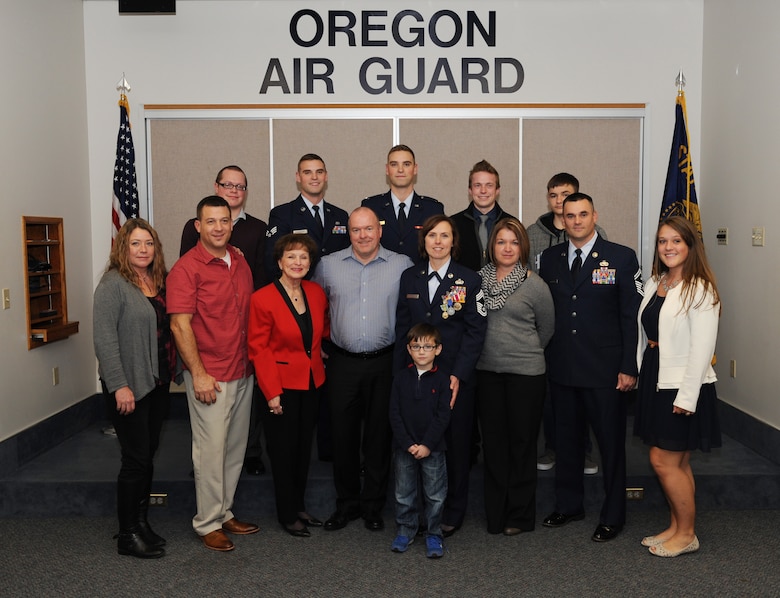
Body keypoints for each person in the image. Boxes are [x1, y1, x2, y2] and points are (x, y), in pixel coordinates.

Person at [539, 192, 642, 543]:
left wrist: (630, 366)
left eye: (583, 214)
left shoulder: (621, 257)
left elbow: (631, 317)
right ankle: (569, 505)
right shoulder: (549, 259)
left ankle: (613, 515)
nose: (577, 221)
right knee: (566, 443)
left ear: (595, 215)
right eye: (570, 215)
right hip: (564, 368)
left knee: (611, 446)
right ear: (562, 219)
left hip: (606, 372)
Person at [312, 207, 413, 532]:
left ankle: (372, 506)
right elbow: (313, 306)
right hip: (342, 363)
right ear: (348, 232)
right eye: (356, 230)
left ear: (379, 230)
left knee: (378, 438)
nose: (363, 235)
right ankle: (346, 505)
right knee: (342, 437)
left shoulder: (401, 264)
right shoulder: (328, 266)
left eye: (368, 229)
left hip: (386, 362)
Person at [168, 195, 259, 552]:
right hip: (211, 376)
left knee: (234, 449)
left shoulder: (238, 259)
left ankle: (223, 512)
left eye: (224, 221)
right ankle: (206, 522)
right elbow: (179, 325)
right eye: (211, 222)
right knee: (210, 450)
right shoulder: (186, 269)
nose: (218, 227)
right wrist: (199, 374)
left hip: (242, 369)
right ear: (198, 226)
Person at [395, 214, 487, 537]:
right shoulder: (410, 278)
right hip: (417, 378)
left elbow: (476, 332)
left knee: (457, 445)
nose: (438, 241)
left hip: (453, 379)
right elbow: (402, 329)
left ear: (453, 242)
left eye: (444, 236)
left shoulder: (469, 280)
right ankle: (421, 511)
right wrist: (401, 376)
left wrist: (459, 375)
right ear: (424, 241)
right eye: (432, 235)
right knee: (421, 443)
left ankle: (453, 511)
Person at [634, 216, 721, 557]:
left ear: (690, 246)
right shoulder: (658, 281)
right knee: (678, 462)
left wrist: (688, 397)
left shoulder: (700, 288)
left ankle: (686, 534)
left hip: (681, 384)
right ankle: (676, 527)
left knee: (663, 460)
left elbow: (702, 350)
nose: (668, 247)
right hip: (656, 376)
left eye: (676, 241)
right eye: (662, 241)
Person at [93, 218, 175, 559]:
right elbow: (104, 340)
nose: (143, 250)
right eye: (136, 244)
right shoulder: (113, 284)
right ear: (123, 248)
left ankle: (141, 523)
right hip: (129, 387)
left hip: (157, 383)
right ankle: (127, 534)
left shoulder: (157, 280)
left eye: (149, 244)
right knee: (135, 460)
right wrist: (119, 386)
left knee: (148, 456)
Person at [179, 164, 268, 477]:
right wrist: (197, 371)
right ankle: (209, 515)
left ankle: (226, 505)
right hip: (210, 362)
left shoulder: (248, 246)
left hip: (243, 355)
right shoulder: (190, 254)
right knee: (210, 444)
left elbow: (259, 286)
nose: (234, 190)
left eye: (240, 186)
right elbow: (181, 318)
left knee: (236, 439)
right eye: (228, 185)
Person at [475, 217, 554, 535]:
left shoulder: (534, 284)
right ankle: (495, 514)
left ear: (523, 246)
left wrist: (522, 351)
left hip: (526, 375)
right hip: (487, 373)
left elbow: (546, 329)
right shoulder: (476, 281)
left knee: (522, 446)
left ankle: (520, 517)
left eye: (514, 242)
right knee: (493, 446)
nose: (507, 248)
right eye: (501, 242)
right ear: (491, 246)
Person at [248, 234, 329, 538]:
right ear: (279, 262)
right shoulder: (263, 298)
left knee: (302, 449)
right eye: (291, 257)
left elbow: (320, 333)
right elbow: (259, 348)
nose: (298, 262)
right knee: (282, 452)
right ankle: (286, 513)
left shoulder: (316, 292)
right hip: (280, 387)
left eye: (304, 257)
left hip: (311, 382)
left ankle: (299, 505)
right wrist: (271, 393)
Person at [528, 172, 606, 474]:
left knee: (584, 396)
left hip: (585, 332)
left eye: (566, 194)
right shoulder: (532, 234)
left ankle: (584, 451)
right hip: (549, 330)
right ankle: (552, 447)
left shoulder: (598, 233)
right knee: (551, 395)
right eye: (554, 195)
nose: (559, 201)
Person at [389, 323, 452, 558]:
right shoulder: (400, 378)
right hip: (404, 446)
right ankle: (406, 530)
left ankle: (434, 533)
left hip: (433, 448)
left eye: (428, 346)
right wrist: (408, 443)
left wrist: (427, 444)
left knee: (435, 494)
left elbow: (443, 416)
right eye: (416, 346)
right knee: (404, 493)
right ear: (408, 349)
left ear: (438, 349)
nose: (422, 351)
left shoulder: (443, 380)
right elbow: (394, 414)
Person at [265, 153, 350, 279]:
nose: (314, 177)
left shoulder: (340, 216)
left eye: (319, 172)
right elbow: (272, 260)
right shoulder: (283, 214)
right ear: (298, 177)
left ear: (326, 176)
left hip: (335, 290)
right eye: (307, 172)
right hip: (299, 290)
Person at [362, 144, 443, 261]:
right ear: (387, 169)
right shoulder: (371, 207)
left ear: (415, 169)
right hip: (381, 276)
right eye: (394, 164)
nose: (400, 170)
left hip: (421, 277)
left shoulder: (433, 209)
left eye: (406, 164)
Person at [451, 159, 516, 272]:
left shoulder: (512, 224)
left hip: (503, 288)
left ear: (497, 190)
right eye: (477, 185)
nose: (483, 191)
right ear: (470, 190)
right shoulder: (453, 224)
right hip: (465, 287)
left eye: (489, 185)